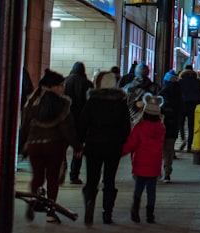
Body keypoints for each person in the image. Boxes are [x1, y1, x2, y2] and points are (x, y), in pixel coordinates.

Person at [19, 69, 81, 224]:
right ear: (53, 87)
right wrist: (77, 146)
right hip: (54, 145)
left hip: (34, 145)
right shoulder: (63, 103)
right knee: (52, 178)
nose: (62, 88)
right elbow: (67, 128)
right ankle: (51, 212)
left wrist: (23, 145)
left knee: (37, 177)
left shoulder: (31, 103)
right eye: (60, 85)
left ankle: (33, 201)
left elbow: (24, 126)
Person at [77, 70, 130, 225]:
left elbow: (82, 123)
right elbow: (126, 126)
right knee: (109, 180)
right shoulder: (120, 103)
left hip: (93, 144)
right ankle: (107, 213)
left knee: (92, 179)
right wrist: (122, 141)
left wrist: (80, 143)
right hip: (113, 146)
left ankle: (89, 201)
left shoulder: (92, 102)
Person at [122, 94, 165, 224]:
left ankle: (135, 210)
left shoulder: (139, 127)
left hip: (140, 163)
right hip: (154, 164)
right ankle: (150, 215)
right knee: (151, 191)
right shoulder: (161, 128)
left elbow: (131, 144)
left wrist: (120, 152)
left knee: (138, 189)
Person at [62, 61, 92, 184]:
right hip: (81, 122)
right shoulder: (88, 84)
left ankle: (61, 169)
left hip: (65, 121)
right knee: (78, 149)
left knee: (62, 148)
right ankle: (74, 175)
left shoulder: (64, 81)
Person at [158, 70, 182, 182]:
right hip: (174, 125)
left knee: (158, 150)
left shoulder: (163, 92)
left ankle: (157, 172)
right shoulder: (180, 92)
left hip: (161, 125)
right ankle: (167, 173)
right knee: (169, 150)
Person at [177, 64, 200, 151]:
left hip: (182, 104)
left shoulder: (180, 81)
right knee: (191, 125)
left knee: (180, 123)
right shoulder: (197, 81)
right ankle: (189, 144)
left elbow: (177, 93)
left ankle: (183, 138)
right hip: (193, 105)